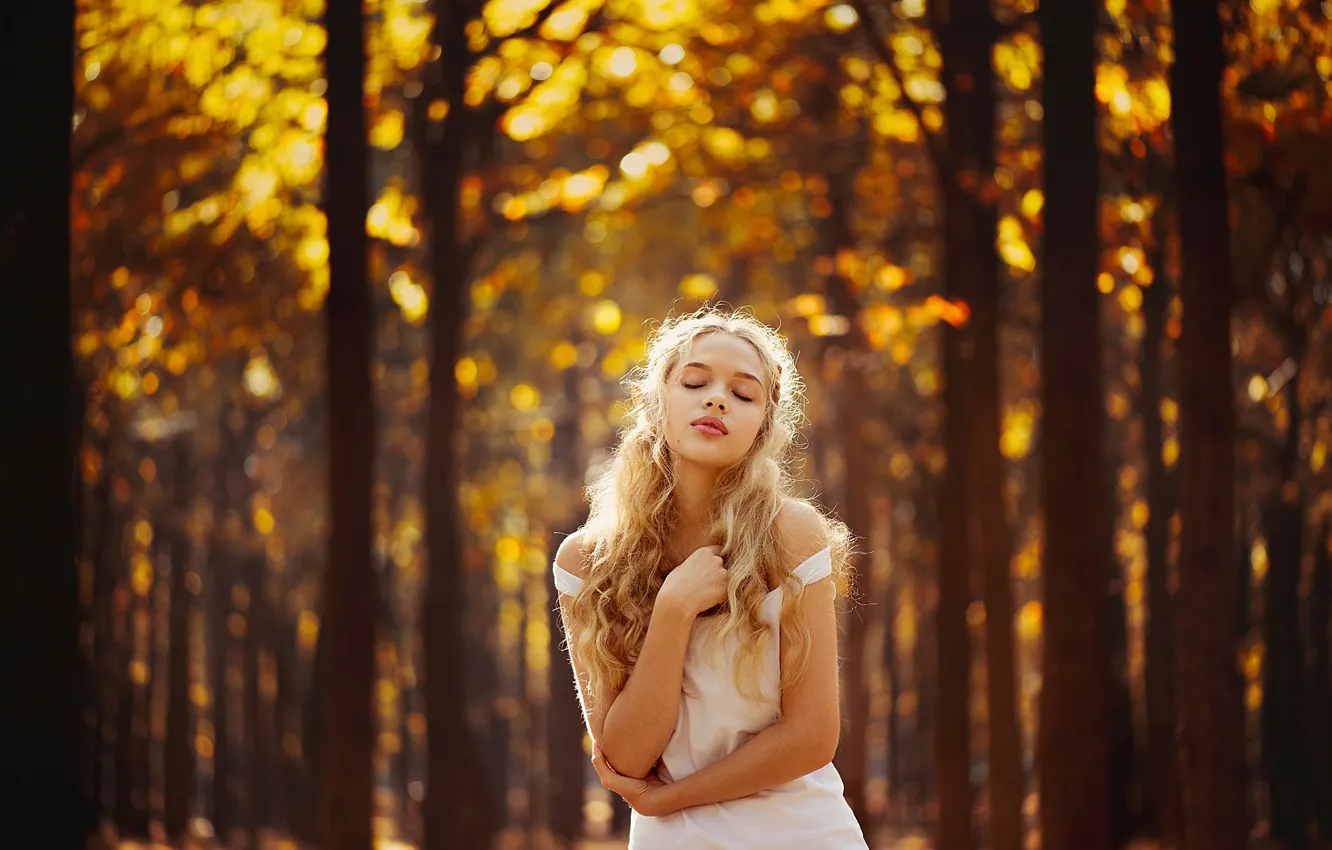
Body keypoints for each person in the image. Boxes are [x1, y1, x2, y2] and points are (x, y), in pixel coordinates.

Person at [552, 306, 869, 849]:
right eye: (695, 382)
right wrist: (673, 611)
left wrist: (668, 799)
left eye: (744, 394)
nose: (717, 399)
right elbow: (625, 756)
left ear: (762, 429)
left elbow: (813, 737)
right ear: (657, 403)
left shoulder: (791, 535)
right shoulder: (586, 562)